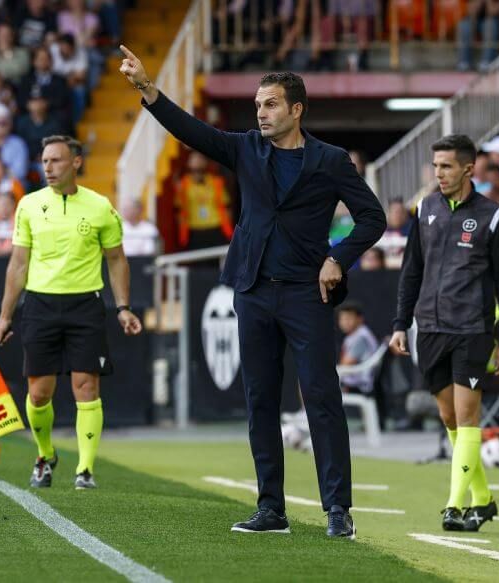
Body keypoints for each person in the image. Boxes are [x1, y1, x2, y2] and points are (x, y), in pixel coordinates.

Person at [119, 45, 386, 538]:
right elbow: (191, 131)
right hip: (253, 290)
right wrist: (147, 89)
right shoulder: (245, 147)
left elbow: (374, 218)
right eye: (259, 104)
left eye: (270, 104)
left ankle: (337, 511)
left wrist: (337, 258)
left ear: (296, 109)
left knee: (321, 398)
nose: (260, 112)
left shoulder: (330, 160)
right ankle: (271, 510)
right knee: (260, 399)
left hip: (308, 295)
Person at [0, 135, 142, 491]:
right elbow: (18, 264)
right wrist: (5, 315)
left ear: (76, 163)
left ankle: (85, 470)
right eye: (44, 161)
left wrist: (122, 308)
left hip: (85, 305)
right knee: (39, 393)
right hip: (40, 306)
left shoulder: (101, 207)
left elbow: (117, 259)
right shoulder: (28, 205)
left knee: (86, 387)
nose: (48, 168)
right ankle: (45, 456)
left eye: (56, 160)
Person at [388, 134, 499, 533]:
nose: (438, 173)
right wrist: (399, 323)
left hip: (473, 329)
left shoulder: (493, 216)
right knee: (448, 416)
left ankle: (454, 505)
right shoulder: (424, 209)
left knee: (467, 415)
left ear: (468, 168)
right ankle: (483, 499)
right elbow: (412, 270)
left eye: (445, 166)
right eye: (436, 166)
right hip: (428, 327)